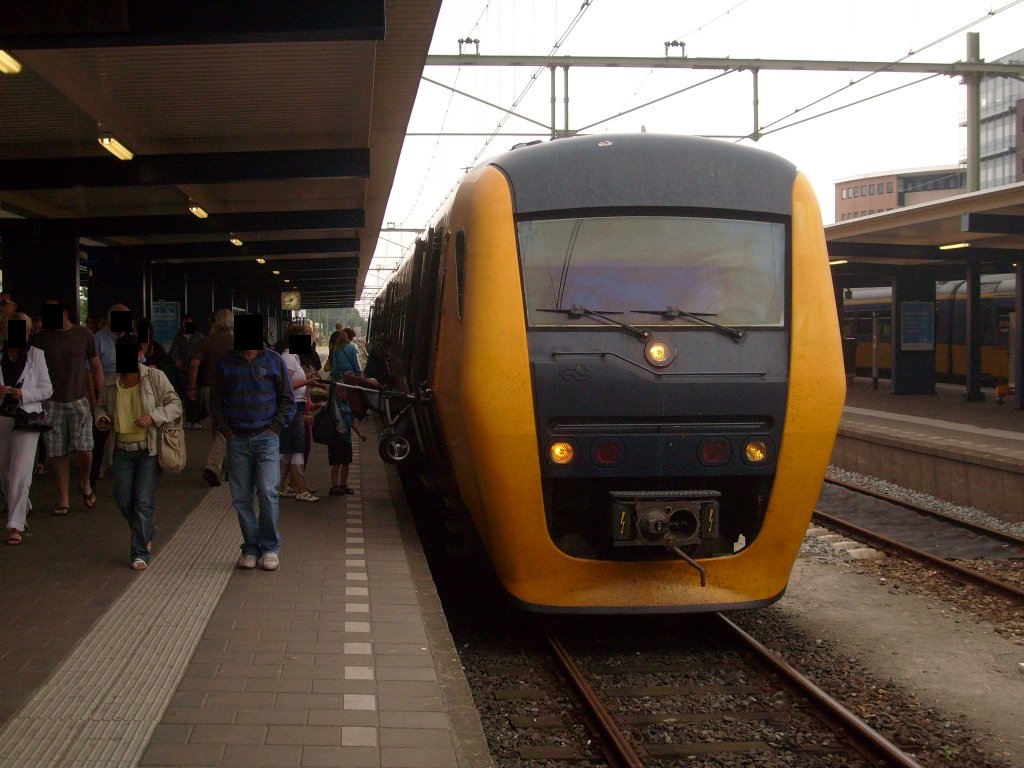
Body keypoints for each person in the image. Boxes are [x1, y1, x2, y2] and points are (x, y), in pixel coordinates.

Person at [94, 333, 182, 570]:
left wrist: (153, 416)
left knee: (143, 501)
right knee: (123, 500)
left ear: (139, 354)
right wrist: (102, 418)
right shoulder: (112, 382)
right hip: (121, 448)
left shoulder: (154, 377)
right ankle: (148, 529)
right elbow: (101, 406)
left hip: (149, 450)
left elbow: (175, 404)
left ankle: (139, 552)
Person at [209, 332, 294, 571]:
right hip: (236, 439)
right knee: (241, 497)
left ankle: (270, 548)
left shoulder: (274, 360)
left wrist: (275, 427)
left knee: (268, 492)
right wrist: (226, 430)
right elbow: (215, 399)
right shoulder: (226, 362)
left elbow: (286, 397)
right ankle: (249, 547)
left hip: (266, 438)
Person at [32, 298, 104, 516]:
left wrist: (101, 396)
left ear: (65, 313)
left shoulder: (83, 334)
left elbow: (95, 364)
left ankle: (85, 482)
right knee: (57, 452)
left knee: (85, 448)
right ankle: (64, 499)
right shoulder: (41, 339)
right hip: (51, 402)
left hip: (79, 399)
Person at [0, 313, 53, 545]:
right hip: (3, 418)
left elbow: (46, 390)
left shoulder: (36, 356)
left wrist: (24, 394)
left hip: (26, 419)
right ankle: (23, 505)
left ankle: (15, 526)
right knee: (5, 473)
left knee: (20, 472)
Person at [188, 309, 236, 487]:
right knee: (230, 428)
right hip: (230, 390)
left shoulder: (206, 341)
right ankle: (215, 467)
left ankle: (222, 466)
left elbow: (194, 364)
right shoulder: (235, 341)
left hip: (208, 389)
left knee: (218, 427)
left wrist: (192, 387)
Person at [274, 323, 319, 502]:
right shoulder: (289, 358)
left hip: (295, 406)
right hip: (292, 407)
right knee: (298, 449)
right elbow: (287, 385)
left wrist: (309, 379)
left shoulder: (293, 357)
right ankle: (301, 491)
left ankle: (279, 487)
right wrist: (308, 382)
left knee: (288, 451)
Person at [326, 381, 367, 496]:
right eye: (343, 391)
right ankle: (334, 485)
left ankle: (343, 484)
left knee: (346, 461)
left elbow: (352, 420)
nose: (345, 394)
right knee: (336, 462)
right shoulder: (334, 406)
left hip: (347, 437)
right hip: (337, 438)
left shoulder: (347, 404)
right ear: (337, 392)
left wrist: (359, 433)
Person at [169, 314, 205, 428]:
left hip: (197, 370)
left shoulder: (199, 337)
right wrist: (176, 360)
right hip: (183, 370)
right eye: (185, 323)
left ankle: (197, 420)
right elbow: (173, 351)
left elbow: (203, 351)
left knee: (196, 394)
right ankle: (189, 419)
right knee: (186, 394)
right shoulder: (178, 337)